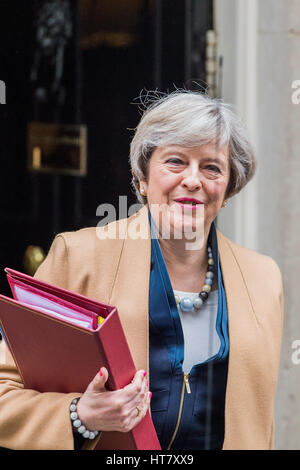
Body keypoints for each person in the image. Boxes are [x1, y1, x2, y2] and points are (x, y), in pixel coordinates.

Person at [0, 91, 283, 450]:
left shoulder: (264, 278)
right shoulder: (79, 257)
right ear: (143, 180)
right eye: (176, 162)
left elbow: (260, 424)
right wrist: (79, 415)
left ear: (227, 187)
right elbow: (4, 395)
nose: (193, 180)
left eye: (212, 167)